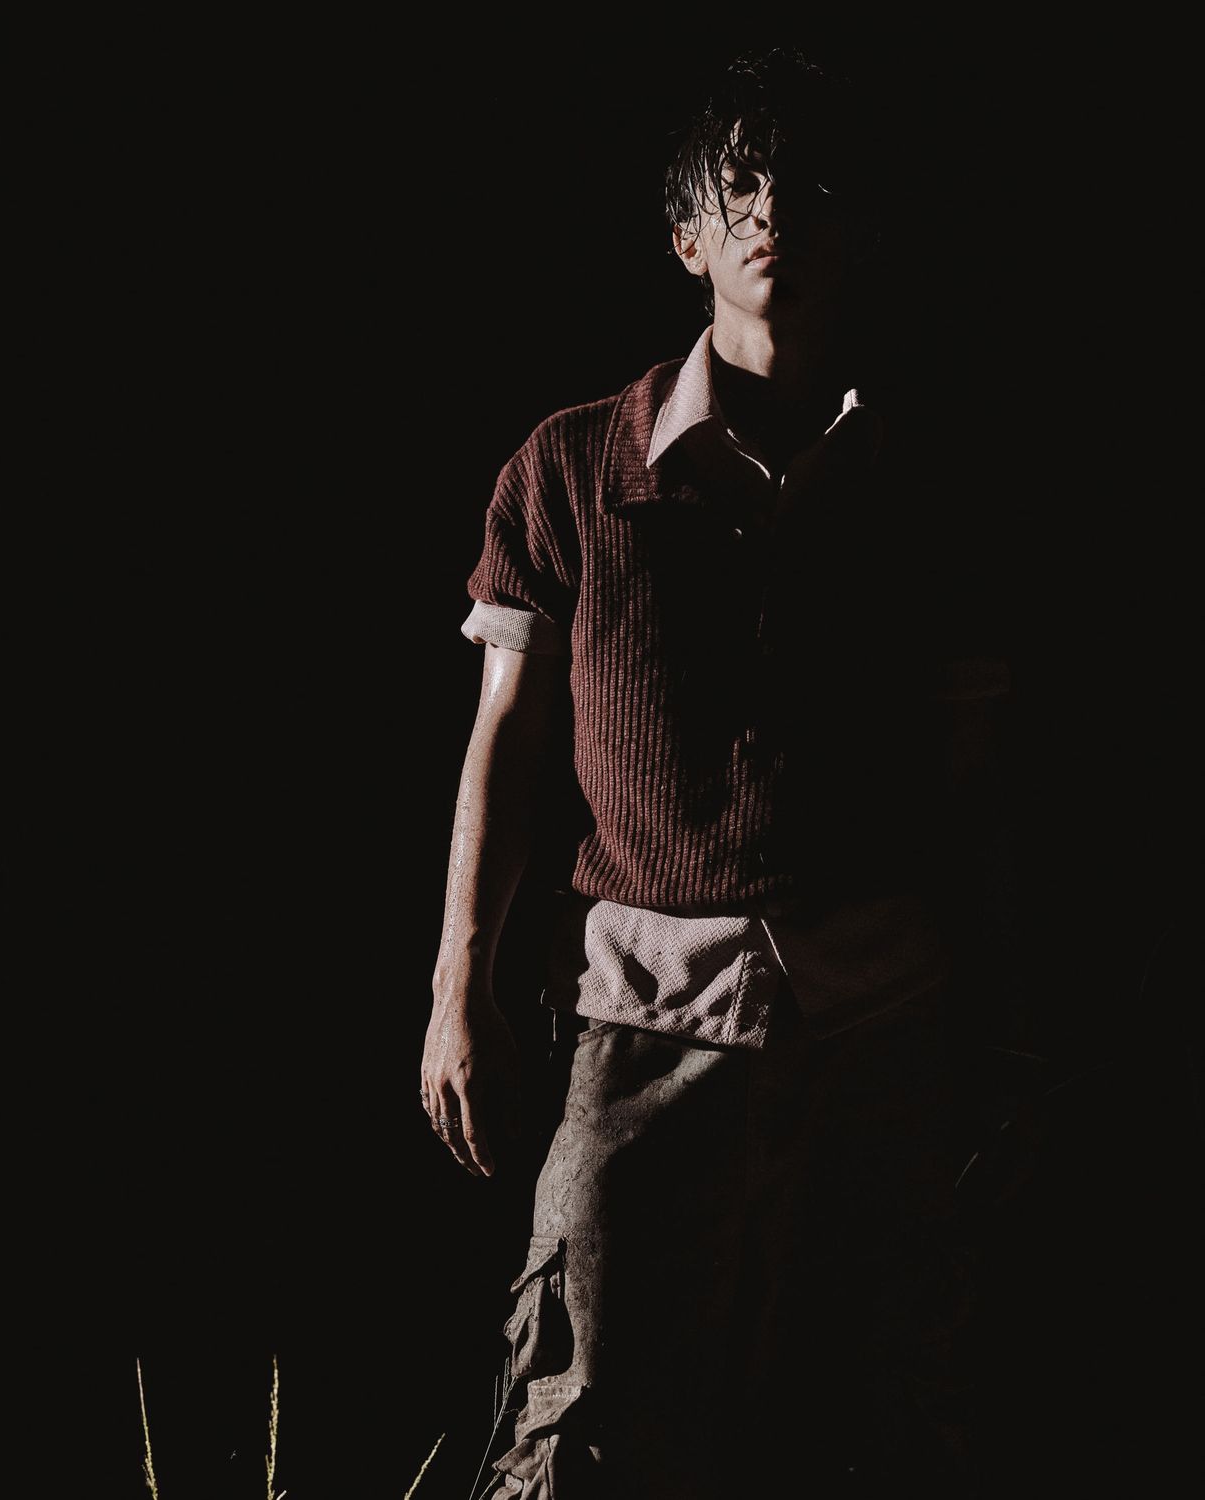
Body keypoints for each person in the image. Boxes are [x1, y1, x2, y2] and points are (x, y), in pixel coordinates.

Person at [422, 48, 1007, 1498]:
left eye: (805, 186)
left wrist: (992, 1001)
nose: (772, 213)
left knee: (879, 1422)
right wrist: (457, 991)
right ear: (687, 237)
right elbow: (506, 744)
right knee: (580, 1419)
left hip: (877, 1021)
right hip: (641, 1016)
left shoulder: (928, 484)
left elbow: (976, 767)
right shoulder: (572, 472)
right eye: (738, 185)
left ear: (855, 229)